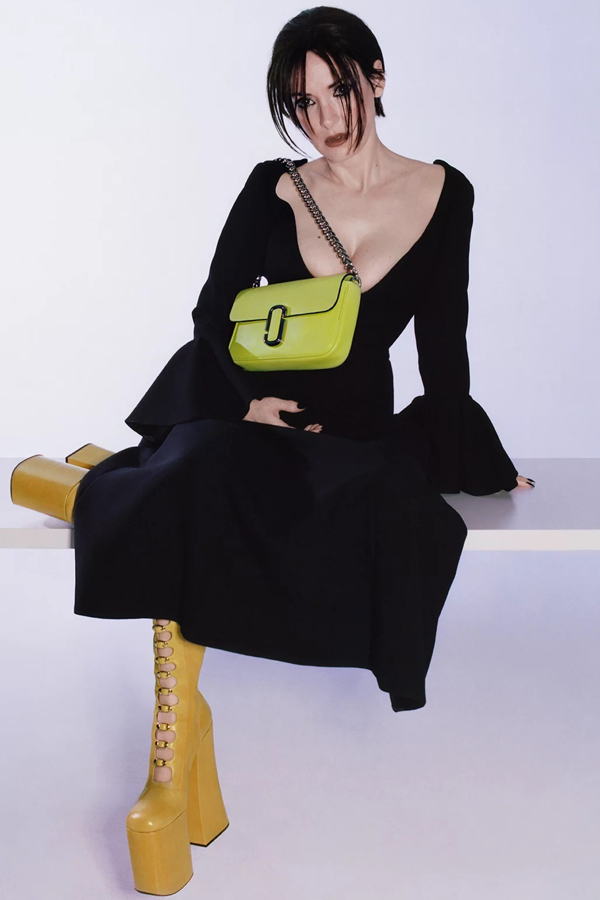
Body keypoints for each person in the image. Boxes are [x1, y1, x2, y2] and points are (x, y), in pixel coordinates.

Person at [67, 6, 534, 892]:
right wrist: (249, 405)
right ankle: (172, 744)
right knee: (197, 471)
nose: (324, 117)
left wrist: (474, 449)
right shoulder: (271, 187)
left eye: (337, 91)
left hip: (351, 430)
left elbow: (444, 346)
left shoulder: (445, 194)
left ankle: (83, 492)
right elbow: (212, 313)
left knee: (379, 500)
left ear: (377, 78)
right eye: (302, 102)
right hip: (247, 411)